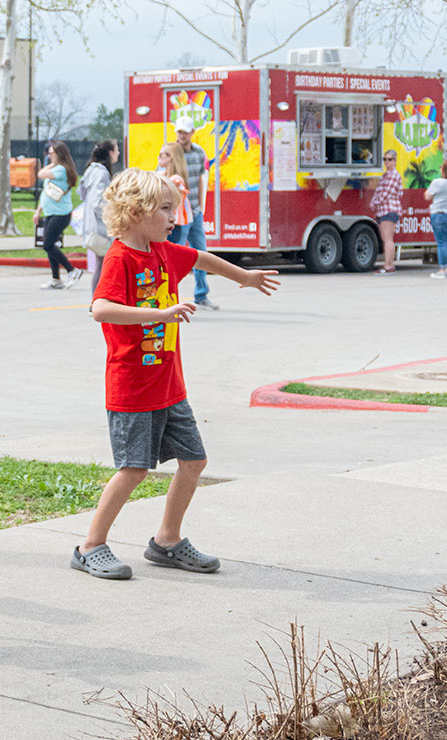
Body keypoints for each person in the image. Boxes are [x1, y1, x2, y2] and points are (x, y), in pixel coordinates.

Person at [71, 168, 279, 580]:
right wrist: (160, 313)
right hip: (132, 389)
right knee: (134, 469)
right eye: (166, 209)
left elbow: (200, 258)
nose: (174, 217)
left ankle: (167, 540)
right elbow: (100, 309)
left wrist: (245, 277)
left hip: (169, 387)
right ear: (135, 212)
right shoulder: (120, 258)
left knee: (194, 461)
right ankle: (89, 546)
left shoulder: (163, 250)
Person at [171, 116, 215, 308]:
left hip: (195, 211)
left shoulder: (199, 153)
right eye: (179, 132)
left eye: (185, 132)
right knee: (176, 253)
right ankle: (170, 293)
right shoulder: (172, 152)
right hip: (179, 214)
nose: (182, 135)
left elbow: (200, 180)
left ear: (192, 133)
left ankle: (201, 294)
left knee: (200, 252)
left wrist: (201, 206)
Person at [33, 140, 84, 289]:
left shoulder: (61, 169)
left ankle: (72, 270)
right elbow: (47, 192)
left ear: (59, 154)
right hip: (51, 212)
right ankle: (56, 279)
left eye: (51, 153)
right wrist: (38, 210)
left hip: (61, 214)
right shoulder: (57, 169)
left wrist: (52, 163)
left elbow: (40, 174)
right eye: (48, 153)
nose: (49, 156)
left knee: (48, 244)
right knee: (50, 244)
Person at [78, 140, 118, 293]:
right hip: (100, 228)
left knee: (102, 265)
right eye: (116, 150)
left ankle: (98, 300)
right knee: (103, 266)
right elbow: (97, 201)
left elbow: (83, 194)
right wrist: (111, 216)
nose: (118, 153)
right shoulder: (101, 173)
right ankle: (98, 301)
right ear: (110, 153)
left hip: (92, 225)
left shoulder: (91, 170)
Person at [424, 159, 447, 279]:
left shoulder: (437, 182)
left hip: (440, 213)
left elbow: (427, 196)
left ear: (444, 169)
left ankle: (443, 269)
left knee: (441, 243)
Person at [370, 149, 403, 274]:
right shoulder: (386, 175)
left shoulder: (394, 175)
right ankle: (388, 264)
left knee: (388, 238)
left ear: (395, 161)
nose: (386, 162)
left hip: (389, 209)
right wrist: (375, 202)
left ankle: (389, 266)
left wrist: (375, 203)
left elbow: (386, 193)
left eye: (389, 159)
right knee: (386, 238)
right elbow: (378, 191)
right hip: (383, 210)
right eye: (385, 159)